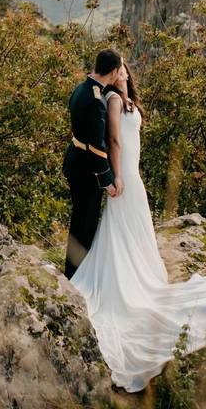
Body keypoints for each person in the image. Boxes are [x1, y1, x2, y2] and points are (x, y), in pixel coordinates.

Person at [69, 57, 206, 393]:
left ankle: (141, 272)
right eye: (121, 67)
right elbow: (112, 142)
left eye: (127, 68)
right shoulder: (109, 99)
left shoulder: (124, 101)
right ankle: (121, 279)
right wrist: (116, 177)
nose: (125, 71)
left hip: (133, 175)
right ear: (115, 73)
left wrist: (127, 101)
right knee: (120, 228)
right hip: (124, 175)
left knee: (138, 227)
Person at [62, 48, 123, 279]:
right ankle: (76, 276)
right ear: (115, 71)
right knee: (85, 224)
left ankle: (72, 271)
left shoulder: (82, 88)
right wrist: (106, 180)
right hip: (86, 170)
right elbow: (97, 147)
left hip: (75, 162)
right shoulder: (97, 100)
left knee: (79, 220)